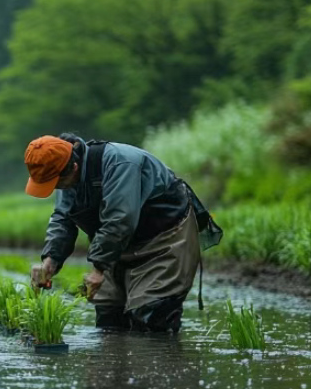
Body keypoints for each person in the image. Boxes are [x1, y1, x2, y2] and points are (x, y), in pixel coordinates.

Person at [24, 133, 221, 332]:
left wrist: (98, 268)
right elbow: (63, 218)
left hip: (164, 238)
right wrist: (50, 260)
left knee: (151, 317)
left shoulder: (121, 163)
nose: (56, 189)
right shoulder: (64, 171)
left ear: (73, 168)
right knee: (109, 317)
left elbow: (120, 220)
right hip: (119, 243)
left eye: (56, 184)